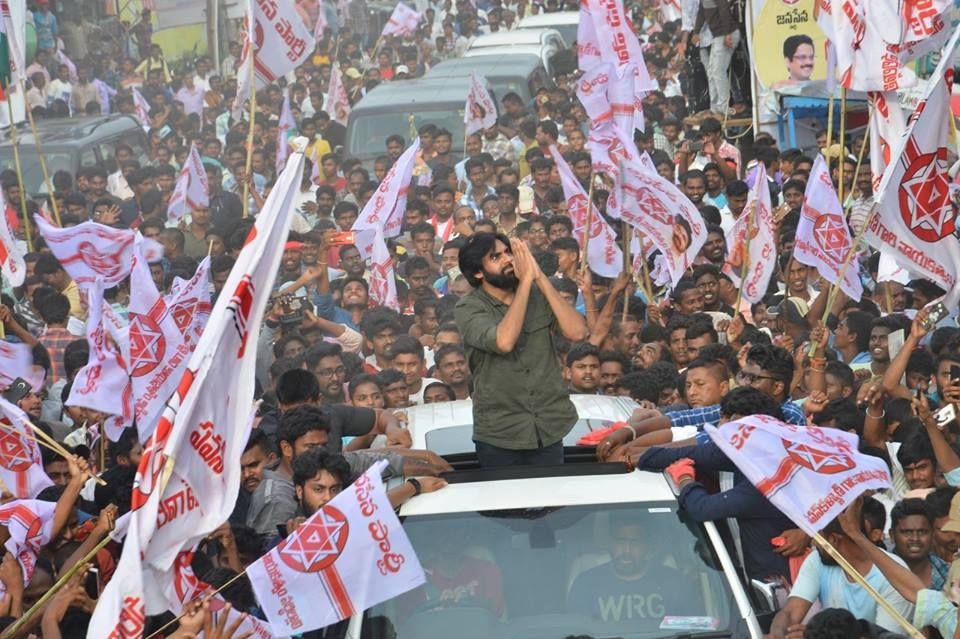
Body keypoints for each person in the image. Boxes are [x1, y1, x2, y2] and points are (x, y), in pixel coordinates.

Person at [455, 232, 587, 466]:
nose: (508, 259)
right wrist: (526, 281)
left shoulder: (538, 293)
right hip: (500, 435)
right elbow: (503, 342)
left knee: (552, 501)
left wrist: (538, 278)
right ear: (477, 272)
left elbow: (577, 332)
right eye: (496, 257)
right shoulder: (469, 307)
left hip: (547, 428)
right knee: (508, 502)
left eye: (508, 252)